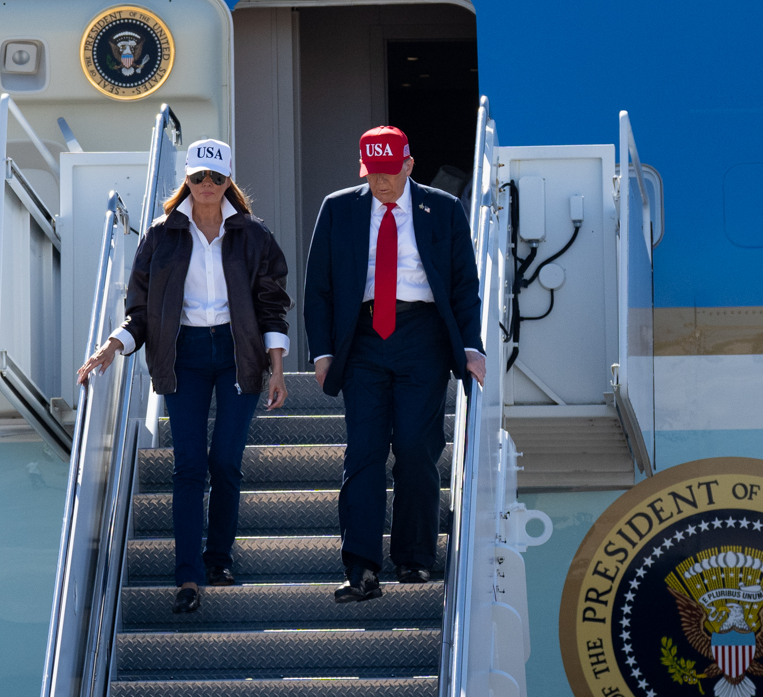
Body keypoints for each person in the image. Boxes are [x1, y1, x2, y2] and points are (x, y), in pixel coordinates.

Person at [76, 140, 291, 615]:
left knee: (227, 462)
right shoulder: (161, 235)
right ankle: (188, 575)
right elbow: (141, 309)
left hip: (241, 356)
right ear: (187, 181)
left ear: (229, 180)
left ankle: (219, 560)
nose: (207, 186)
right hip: (185, 355)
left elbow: (272, 305)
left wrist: (276, 366)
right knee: (189, 466)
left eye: (216, 178)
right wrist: (114, 344)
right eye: (198, 178)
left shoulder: (255, 235)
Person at [304, 125, 485, 604]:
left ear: (408, 164)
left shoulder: (443, 210)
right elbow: (317, 287)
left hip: (422, 336)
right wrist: (322, 352)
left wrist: (473, 347)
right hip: (361, 339)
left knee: (415, 449)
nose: (381, 183)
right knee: (363, 451)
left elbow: (465, 285)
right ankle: (361, 567)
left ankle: (415, 557)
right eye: (372, 173)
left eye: (389, 172)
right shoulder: (338, 208)